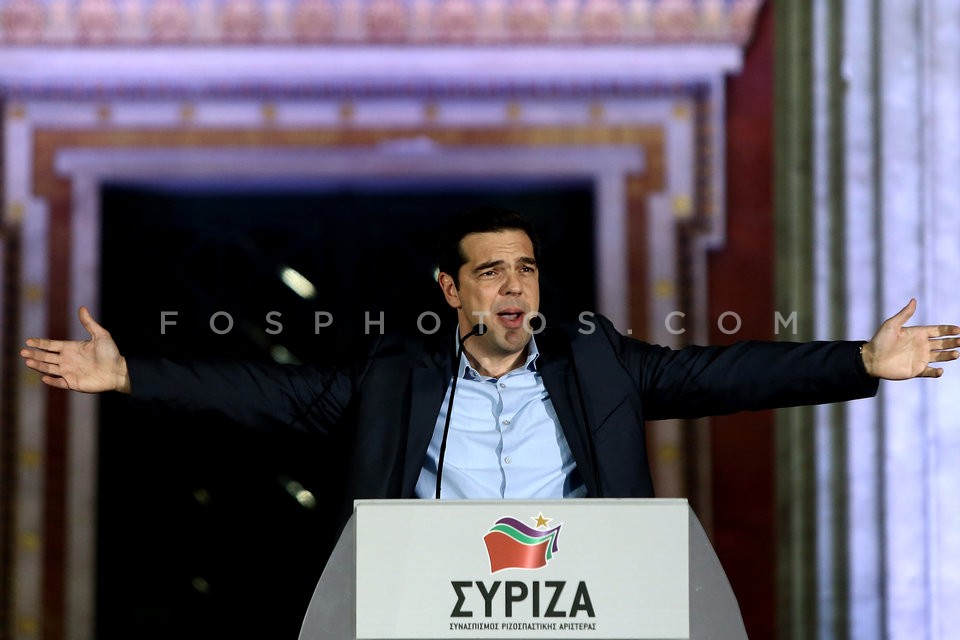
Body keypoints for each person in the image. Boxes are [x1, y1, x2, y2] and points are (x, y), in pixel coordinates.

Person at [20, 207, 960, 523]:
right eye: (491, 273)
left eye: (526, 269)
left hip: (582, 606)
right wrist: (131, 372)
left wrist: (858, 362)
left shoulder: (596, 359)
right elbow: (275, 394)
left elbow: (720, 375)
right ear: (453, 290)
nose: (514, 288)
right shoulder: (398, 374)